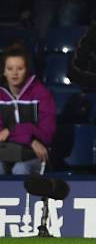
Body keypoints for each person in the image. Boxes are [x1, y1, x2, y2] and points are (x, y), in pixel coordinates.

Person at [0, 44, 56, 175]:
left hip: (35, 154)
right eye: (10, 68)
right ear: (4, 71)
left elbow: (47, 135)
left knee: (20, 169)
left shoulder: (42, 94)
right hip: (6, 151)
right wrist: (29, 138)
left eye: (20, 68)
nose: (15, 73)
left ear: (27, 70)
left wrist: (11, 130)